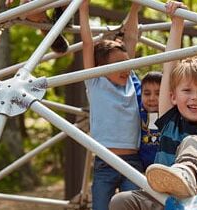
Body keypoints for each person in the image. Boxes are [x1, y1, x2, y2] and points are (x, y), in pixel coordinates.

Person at [109, 1, 197, 210]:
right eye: (187, 91)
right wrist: (177, 24)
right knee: (121, 201)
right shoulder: (169, 121)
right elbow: (169, 70)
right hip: (169, 201)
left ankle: (185, 173)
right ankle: (177, 182)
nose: (195, 97)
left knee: (195, 142)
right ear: (173, 97)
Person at [80, 1, 143, 210]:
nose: (125, 68)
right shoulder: (95, 82)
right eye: (119, 65)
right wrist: (83, 8)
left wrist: (135, 8)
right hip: (105, 163)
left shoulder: (131, 80)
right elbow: (88, 44)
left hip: (132, 162)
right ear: (102, 68)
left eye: (127, 63)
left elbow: (131, 37)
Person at [139, 72, 162, 171]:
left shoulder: (173, 117)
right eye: (147, 94)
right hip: (140, 172)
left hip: (164, 171)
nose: (152, 98)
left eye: (158, 94)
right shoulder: (137, 114)